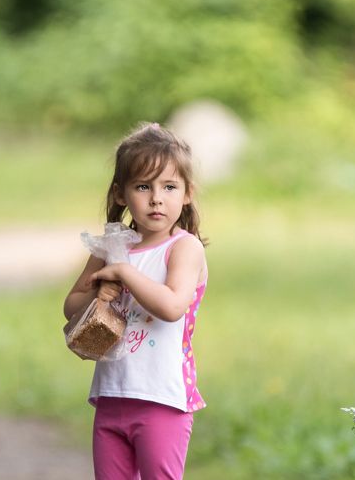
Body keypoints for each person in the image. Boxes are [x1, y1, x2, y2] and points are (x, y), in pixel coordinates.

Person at [63, 122, 208, 480]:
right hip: (111, 395)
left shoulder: (183, 248)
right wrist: (100, 292)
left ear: (187, 193)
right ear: (120, 194)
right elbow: (71, 306)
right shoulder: (111, 247)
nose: (156, 197)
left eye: (169, 186)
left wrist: (125, 274)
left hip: (163, 399)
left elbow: (173, 306)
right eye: (143, 186)